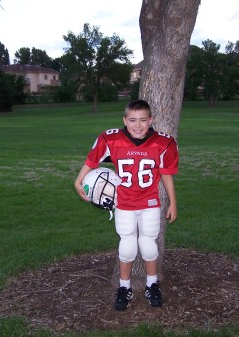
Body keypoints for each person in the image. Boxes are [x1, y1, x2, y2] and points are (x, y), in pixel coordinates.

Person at [74, 99, 179, 310]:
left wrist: (173, 202)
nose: (137, 125)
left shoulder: (164, 143)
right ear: (124, 120)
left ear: (151, 120)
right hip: (123, 202)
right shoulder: (111, 139)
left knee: (149, 244)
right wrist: (78, 180)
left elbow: (167, 175)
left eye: (142, 120)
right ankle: (124, 287)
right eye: (132, 120)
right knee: (127, 245)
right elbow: (92, 160)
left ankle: (152, 284)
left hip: (150, 202)